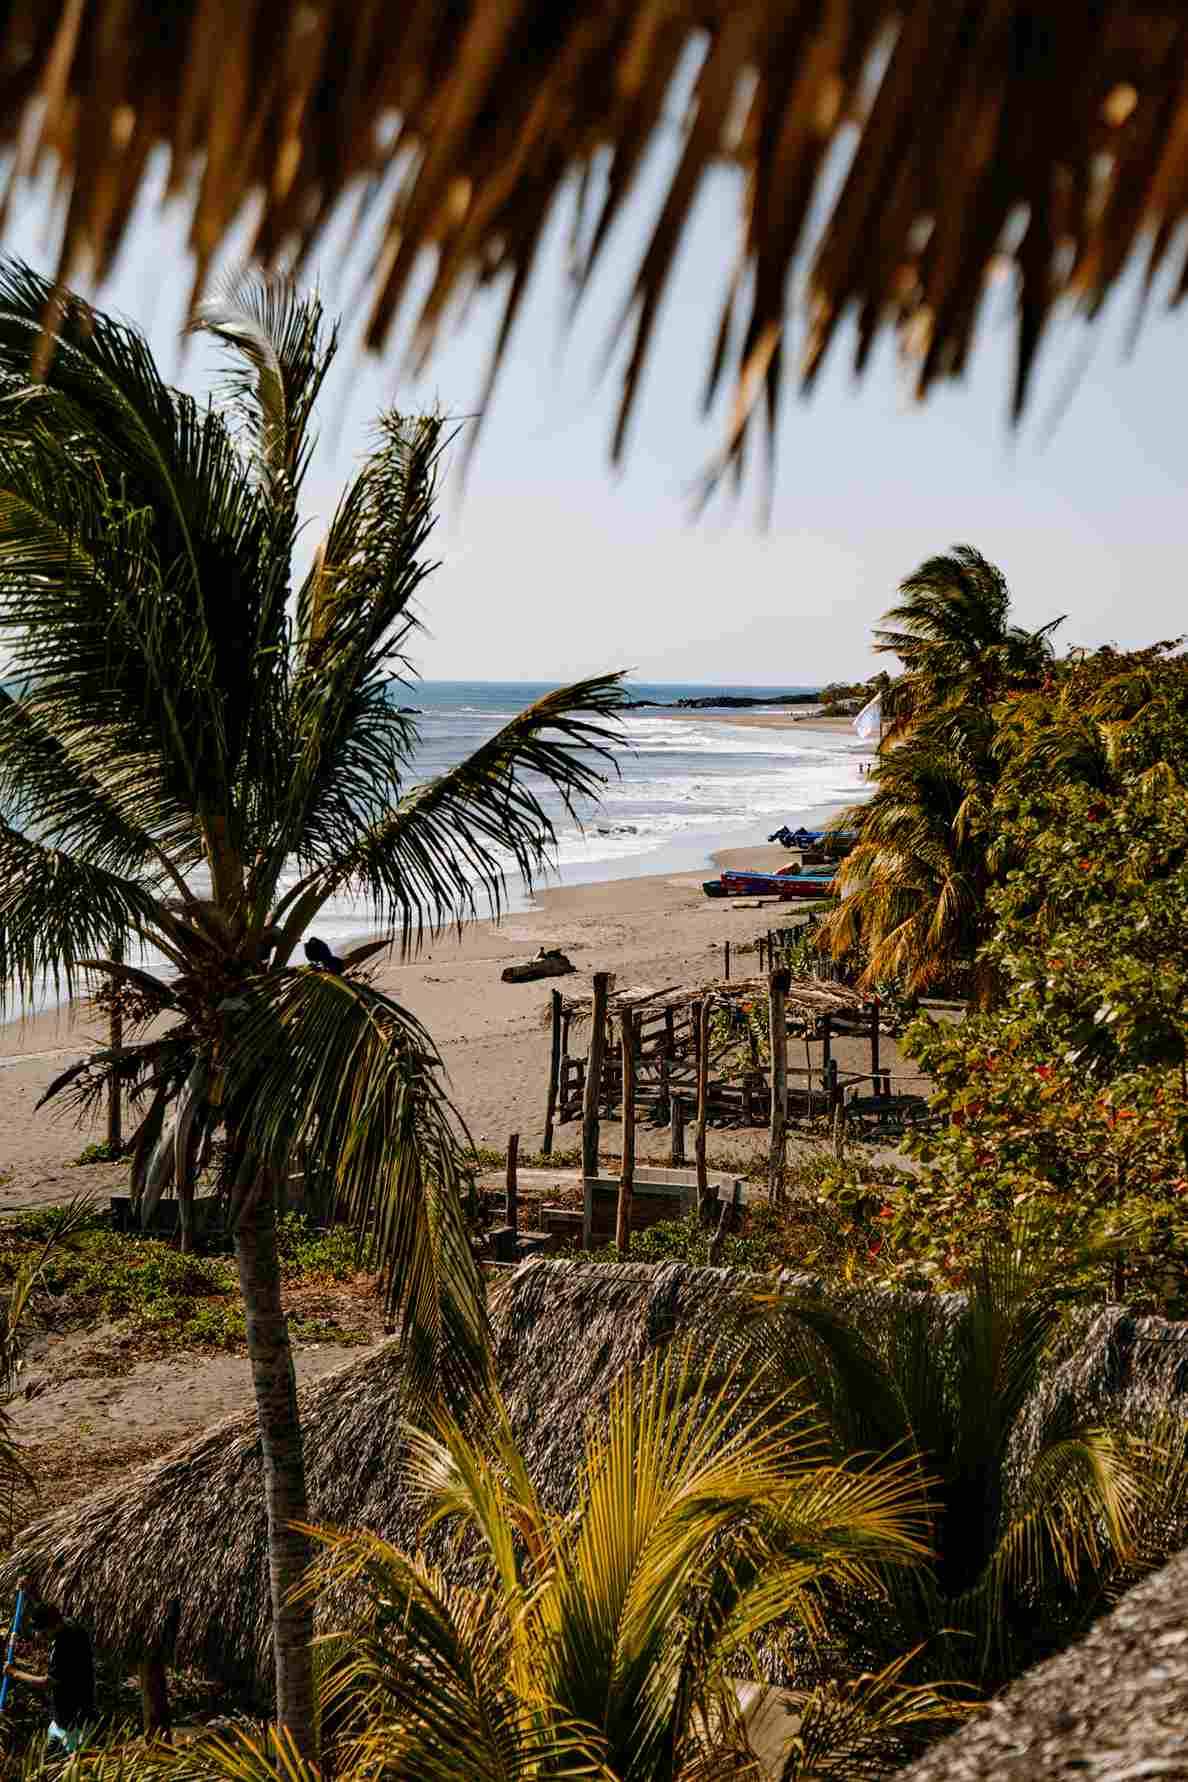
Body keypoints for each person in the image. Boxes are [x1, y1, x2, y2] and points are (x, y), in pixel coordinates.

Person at [4, 1594, 96, 1755]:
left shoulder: (66, 1646)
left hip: (74, 1723)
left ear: (52, 1626)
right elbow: (46, 1609)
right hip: (60, 1719)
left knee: (68, 1770)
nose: (41, 1636)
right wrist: (28, 1592)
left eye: (43, 1632)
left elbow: (47, 1682)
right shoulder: (67, 1624)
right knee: (47, 1761)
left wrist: (15, 1673)